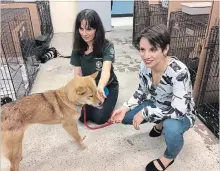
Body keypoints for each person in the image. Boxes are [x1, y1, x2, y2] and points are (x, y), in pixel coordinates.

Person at [109, 24, 196, 171]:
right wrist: (125, 107)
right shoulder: (145, 66)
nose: (146, 56)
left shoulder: (179, 72)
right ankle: (159, 122)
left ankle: (168, 157)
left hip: (181, 113)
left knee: (172, 129)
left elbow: (179, 111)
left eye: (153, 49)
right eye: (142, 49)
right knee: (125, 117)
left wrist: (145, 113)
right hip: (158, 104)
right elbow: (141, 91)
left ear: (165, 49)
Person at [70, 9, 119, 125]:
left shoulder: (107, 46)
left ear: (97, 29)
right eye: (81, 29)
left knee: (99, 118)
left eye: (89, 29)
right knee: (82, 117)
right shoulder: (77, 48)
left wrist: (100, 88)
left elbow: (106, 72)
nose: (84, 33)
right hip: (89, 88)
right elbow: (77, 75)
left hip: (106, 87)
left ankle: (110, 97)